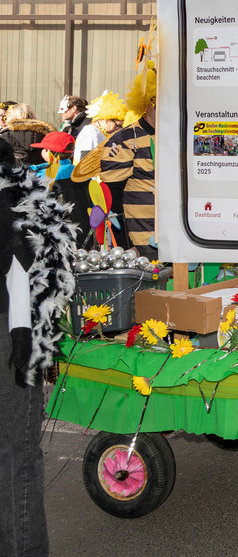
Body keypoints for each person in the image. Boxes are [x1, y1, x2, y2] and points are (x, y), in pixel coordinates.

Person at [1, 144, 77, 557]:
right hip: (13, 329)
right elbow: (25, 271)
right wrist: (24, 336)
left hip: (12, 327)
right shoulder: (16, 197)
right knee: (15, 450)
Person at [95, 62, 157, 257]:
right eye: (158, 101)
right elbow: (111, 198)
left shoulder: (179, 137)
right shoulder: (124, 140)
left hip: (178, 237)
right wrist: (123, 245)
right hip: (141, 244)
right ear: (147, 102)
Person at [74, 90, 127, 163]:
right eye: (117, 125)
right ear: (107, 120)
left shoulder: (100, 132)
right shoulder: (90, 132)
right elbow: (85, 162)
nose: (118, 129)